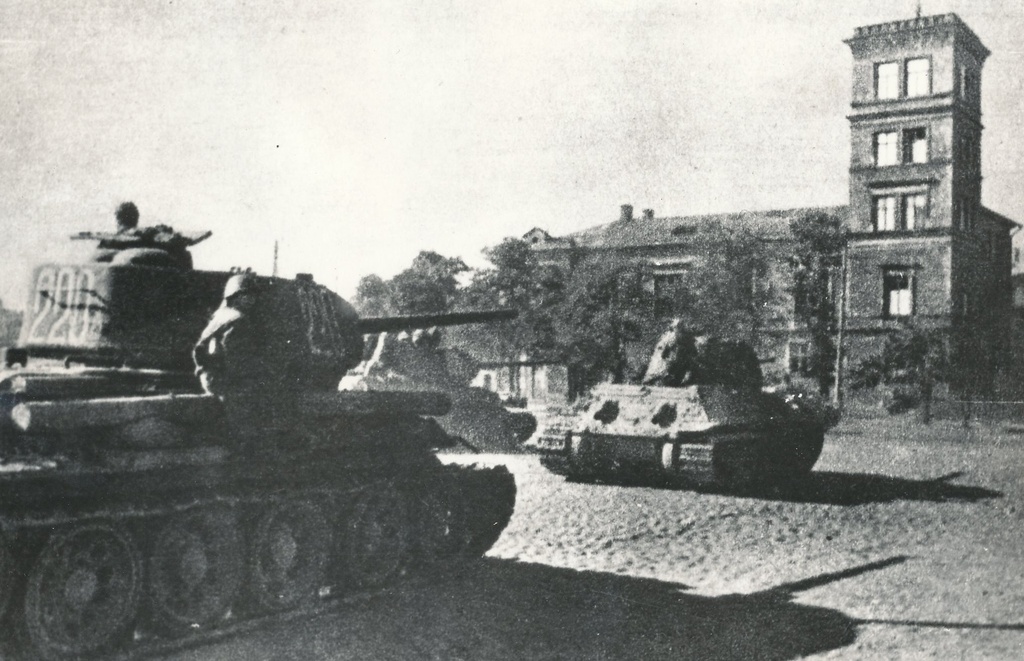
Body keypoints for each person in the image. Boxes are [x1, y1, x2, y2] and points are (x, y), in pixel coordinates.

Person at [641, 318, 698, 387]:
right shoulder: (670, 337)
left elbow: (693, 354)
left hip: (674, 370)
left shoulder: (687, 340)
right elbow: (663, 355)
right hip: (661, 373)